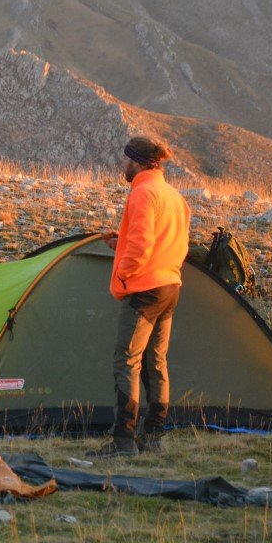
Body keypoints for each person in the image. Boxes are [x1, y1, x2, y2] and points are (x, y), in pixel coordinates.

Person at [87, 137, 191, 458]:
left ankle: (123, 441)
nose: (122, 165)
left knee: (127, 361)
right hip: (170, 287)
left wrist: (122, 274)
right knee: (156, 363)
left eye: (125, 159)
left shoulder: (142, 194)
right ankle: (153, 438)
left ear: (136, 161)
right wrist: (122, 242)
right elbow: (172, 243)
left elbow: (143, 245)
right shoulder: (174, 197)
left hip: (145, 290)